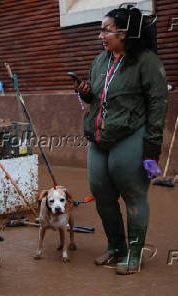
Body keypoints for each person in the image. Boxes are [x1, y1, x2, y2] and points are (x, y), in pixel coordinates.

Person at [77, 5, 168, 274]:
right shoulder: (100, 61)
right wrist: (85, 94)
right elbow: (97, 98)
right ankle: (116, 247)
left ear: (125, 33)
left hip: (131, 136)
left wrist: (152, 149)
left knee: (133, 193)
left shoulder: (147, 61)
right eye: (100, 30)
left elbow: (157, 105)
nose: (100, 36)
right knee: (101, 193)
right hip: (98, 138)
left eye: (105, 30)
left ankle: (135, 254)